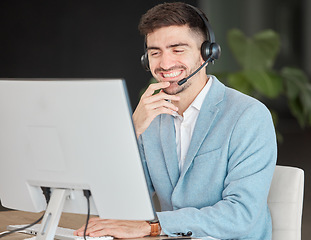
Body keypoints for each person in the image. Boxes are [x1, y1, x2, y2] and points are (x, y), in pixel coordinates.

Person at [74, 2, 277, 239]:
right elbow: (117, 199)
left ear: (207, 52)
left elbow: (241, 214)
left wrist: (155, 226)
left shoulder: (248, 115)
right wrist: (131, 131)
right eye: (155, 52)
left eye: (177, 49)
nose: (164, 64)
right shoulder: (150, 116)